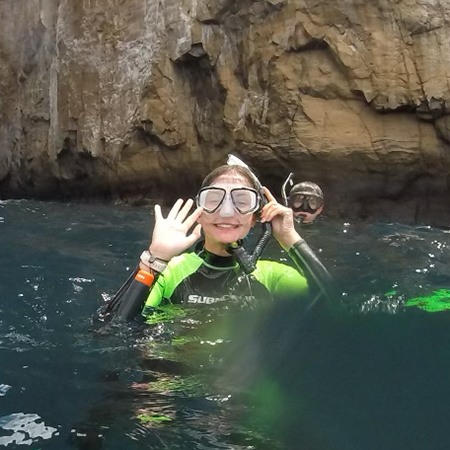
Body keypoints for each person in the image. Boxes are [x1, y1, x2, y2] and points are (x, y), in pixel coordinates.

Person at [100, 159, 334, 323]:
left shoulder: (273, 277)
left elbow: (336, 311)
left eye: (242, 201)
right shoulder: (170, 271)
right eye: (214, 200)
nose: (226, 212)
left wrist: (290, 238)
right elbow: (113, 328)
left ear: (255, 217)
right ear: (199, 213)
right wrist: (154, 259)